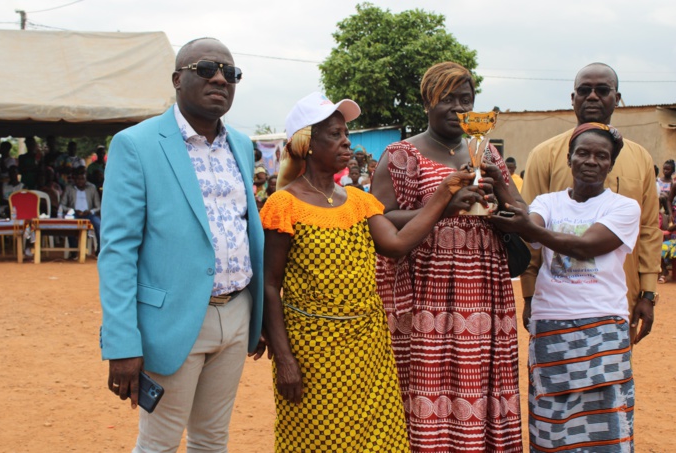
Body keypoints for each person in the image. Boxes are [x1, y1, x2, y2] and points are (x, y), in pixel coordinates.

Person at [261, 92, 476, 452]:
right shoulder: (284, 204)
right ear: (306, 144)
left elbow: (396, 244)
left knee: (378, 440)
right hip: (313, 351)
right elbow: (270, 286)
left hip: (368, 348)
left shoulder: (358, 201)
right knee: (319, 440)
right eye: (334, 134)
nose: (347, 140)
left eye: (346, 131)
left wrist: (443, 194)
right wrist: (285, 359)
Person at [98, 37, 263, 452]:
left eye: (231, 73)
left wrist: (255, 315)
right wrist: (122, 342)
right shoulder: (136, 144)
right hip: (171, 321)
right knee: (160, 443)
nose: (221, 79)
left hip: (236, 312)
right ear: (177, 79)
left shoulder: (241, 145)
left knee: (212, 439)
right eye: (206, 69)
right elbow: (118, 251)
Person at [371, 62, 525, 452]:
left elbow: (520, 210)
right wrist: (445, 205)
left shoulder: (484, 150)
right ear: (427, 102)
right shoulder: (401, 155)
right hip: (427, 292)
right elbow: (379, 217)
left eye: (466, 99)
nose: (458, 108)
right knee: (430, 382)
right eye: (448, 99)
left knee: (480, 378)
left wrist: (500, 201)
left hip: (484, 288)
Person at [492, 123, 640, 452]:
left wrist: (527, 226)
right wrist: (497, 181)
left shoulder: (624, 207)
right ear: (569, 159)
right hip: (551, 325)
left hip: (602, 325)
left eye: (601, 156)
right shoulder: (548, 202)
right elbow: (531, 229)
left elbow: (585, 246)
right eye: (583, 153)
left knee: (607, 425)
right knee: (551, 423)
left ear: (610, 165)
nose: (591, 160)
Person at [521, 63, 661, 344]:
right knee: (553, 379)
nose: (593, 97)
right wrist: (529, 293)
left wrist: (647, 292)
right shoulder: (544, 154)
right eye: (584, 90)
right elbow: (529, 229)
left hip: (619, 294)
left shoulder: (641, 157)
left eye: (602, 90)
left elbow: (648, 229)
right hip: (555, 299)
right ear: (573, 99)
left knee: (610, 374)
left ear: (617, 98)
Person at [60, 167, 101, 257]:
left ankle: (99, 250)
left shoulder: (92, 188)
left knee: (99, 224)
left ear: (86, 179)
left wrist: (90, 211)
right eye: (78, 179)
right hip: (74, 214)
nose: (80, 181)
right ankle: (74, 251)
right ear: (74, 179)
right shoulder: (69, 188)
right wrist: (73, 210)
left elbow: (99, 206)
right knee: (68, 224)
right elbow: (62, 206)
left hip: (89, 214)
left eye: (82, 179)